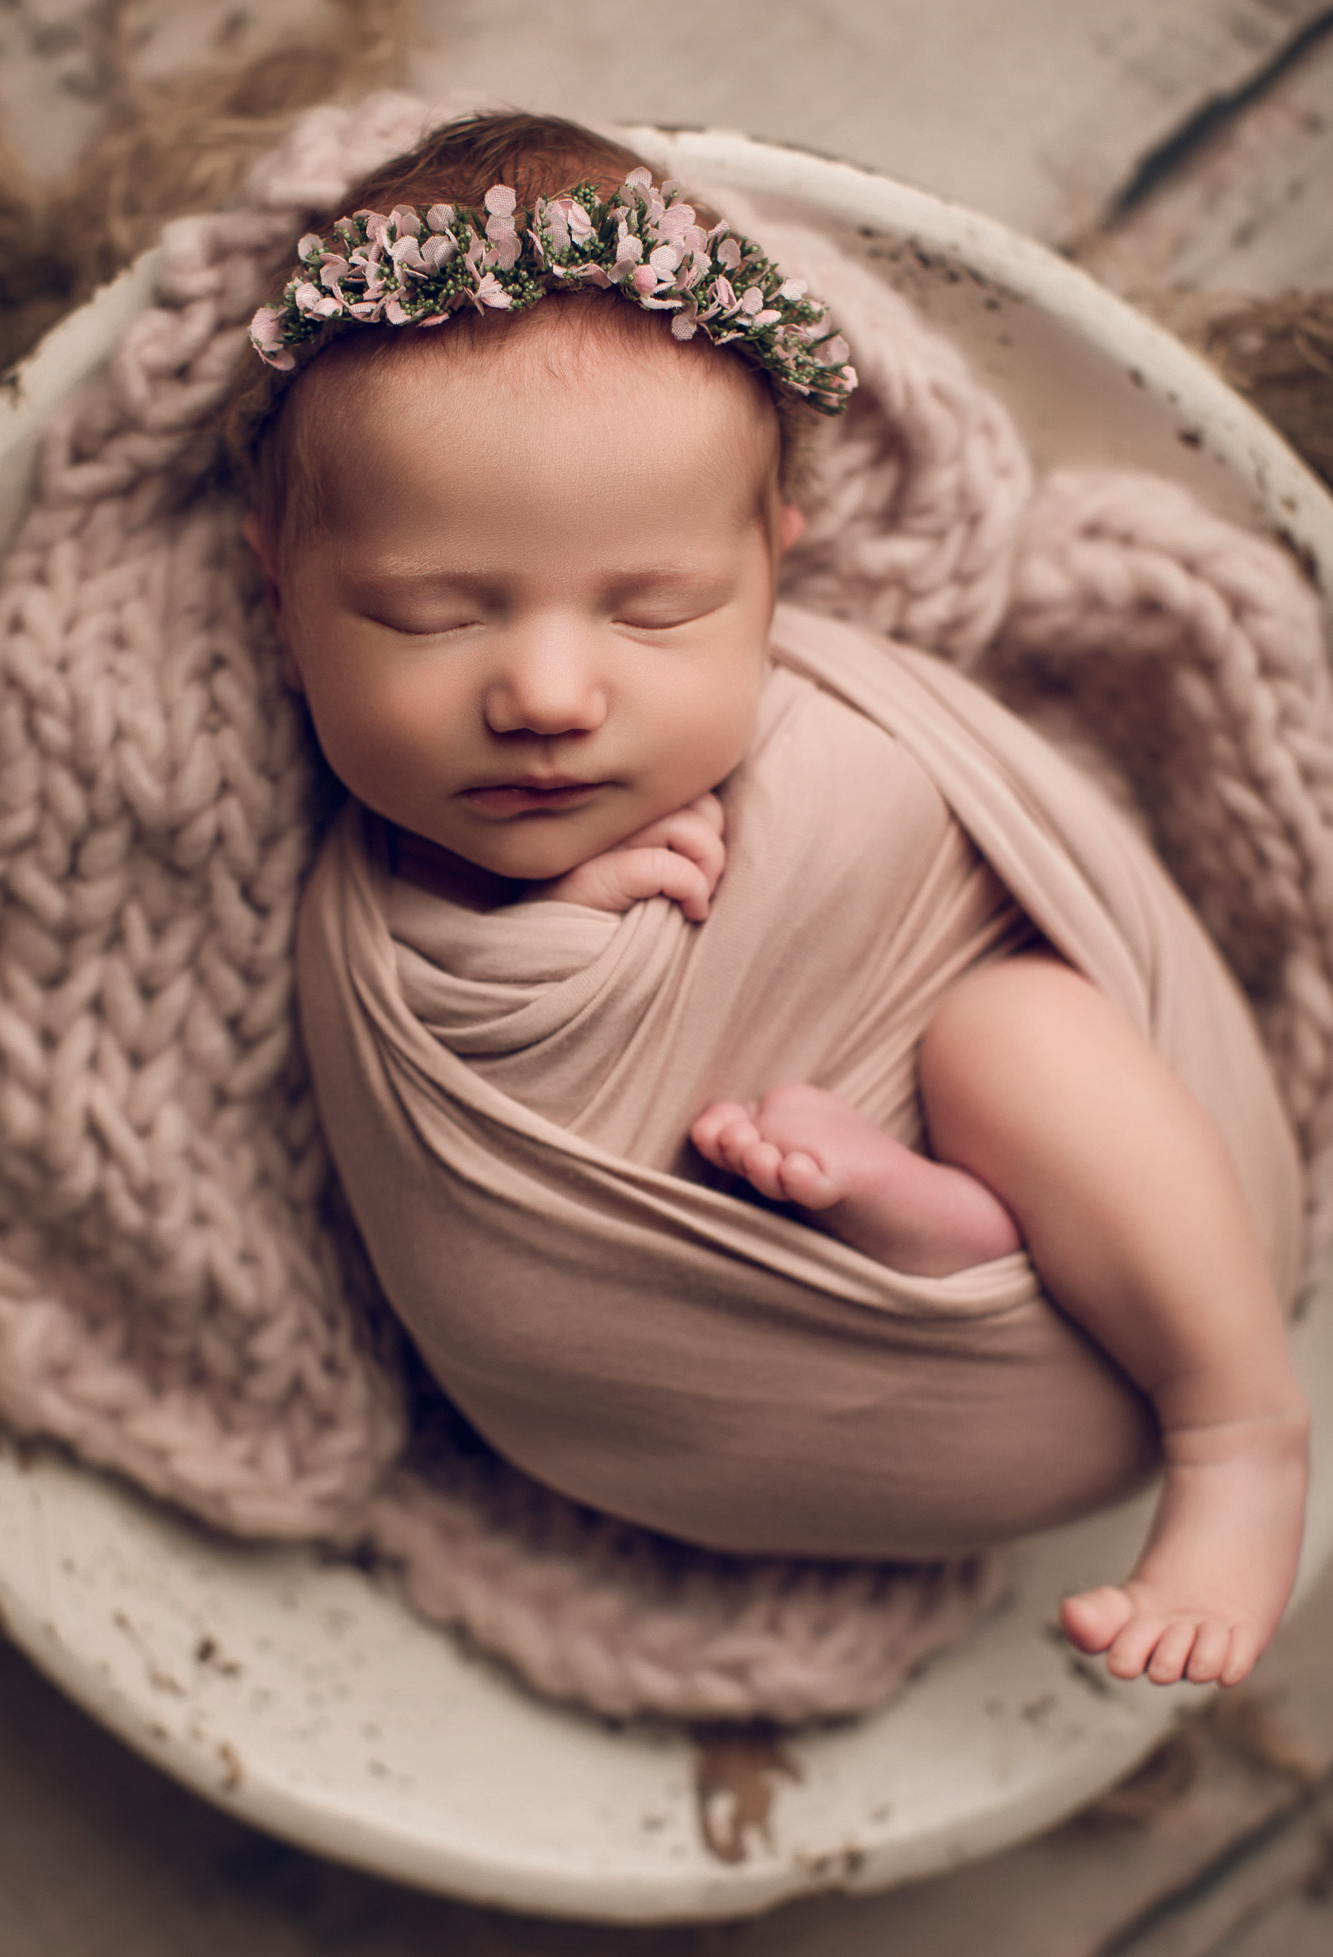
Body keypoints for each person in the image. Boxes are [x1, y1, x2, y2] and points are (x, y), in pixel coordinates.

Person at [232, 110, 1308, 1694]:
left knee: (1011, 1026)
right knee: (934, 1079)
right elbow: (449, 1148)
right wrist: (524, 935)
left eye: (656, 608)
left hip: (1168, 1241)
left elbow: (1005, 874)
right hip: (752, 1415)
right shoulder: (358, 916)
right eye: (429, 615)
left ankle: (1240, 1427)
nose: (543, 690)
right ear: (279, 589)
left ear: (772, 570)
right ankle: (933, 1237)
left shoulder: (849, 723)